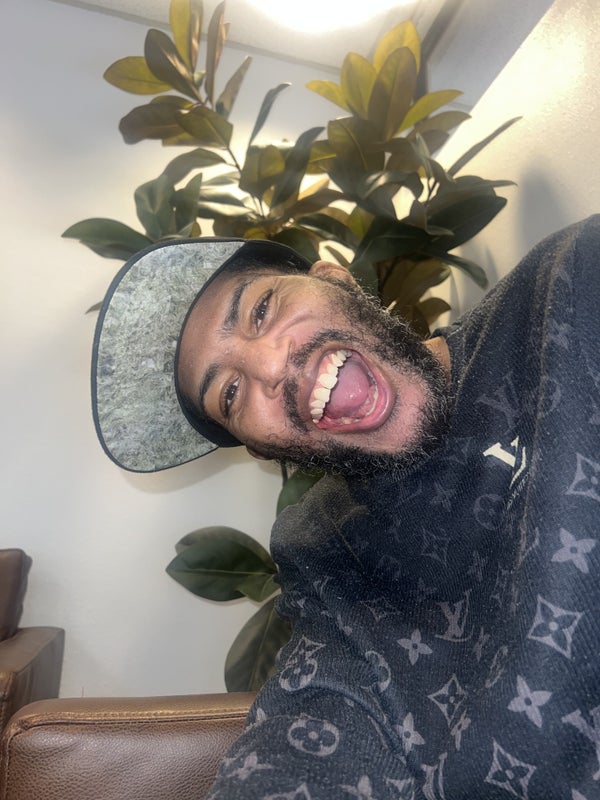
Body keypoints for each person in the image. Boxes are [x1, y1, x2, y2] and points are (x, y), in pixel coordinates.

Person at [93, 217, 600, 799]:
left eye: (261, 309)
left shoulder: (570, 286)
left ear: (337, 279)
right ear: (259, 447)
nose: (270, 368)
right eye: (230, 393)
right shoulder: (324, 555)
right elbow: (314, 722)